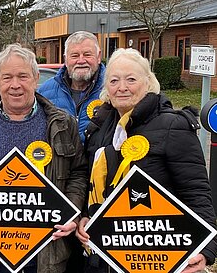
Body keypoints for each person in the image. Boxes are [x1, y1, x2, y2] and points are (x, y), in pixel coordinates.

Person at [0, 44, 88, 273]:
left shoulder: (63, 124)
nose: (15, 85)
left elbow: (78, 173)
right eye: (7, 77)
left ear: (35, 78)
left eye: (23, 76)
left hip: (47, 255)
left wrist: (70, 210)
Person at [76, 48, 217, 272]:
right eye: (114, 80)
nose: (122, 87)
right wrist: (86, 217)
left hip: (155, 256)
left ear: (148, 83)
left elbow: (197, 193)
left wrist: (206, 249)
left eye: (131, 79)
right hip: (104, 255)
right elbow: (93, 184)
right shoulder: (100, 127)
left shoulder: (173, 125)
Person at [37, 31, 105, 143]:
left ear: (98, 57)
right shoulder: (44, 92)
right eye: (75, 55)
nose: (81, 61)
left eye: (87, 54)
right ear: (65, 59)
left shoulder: (113, 90)